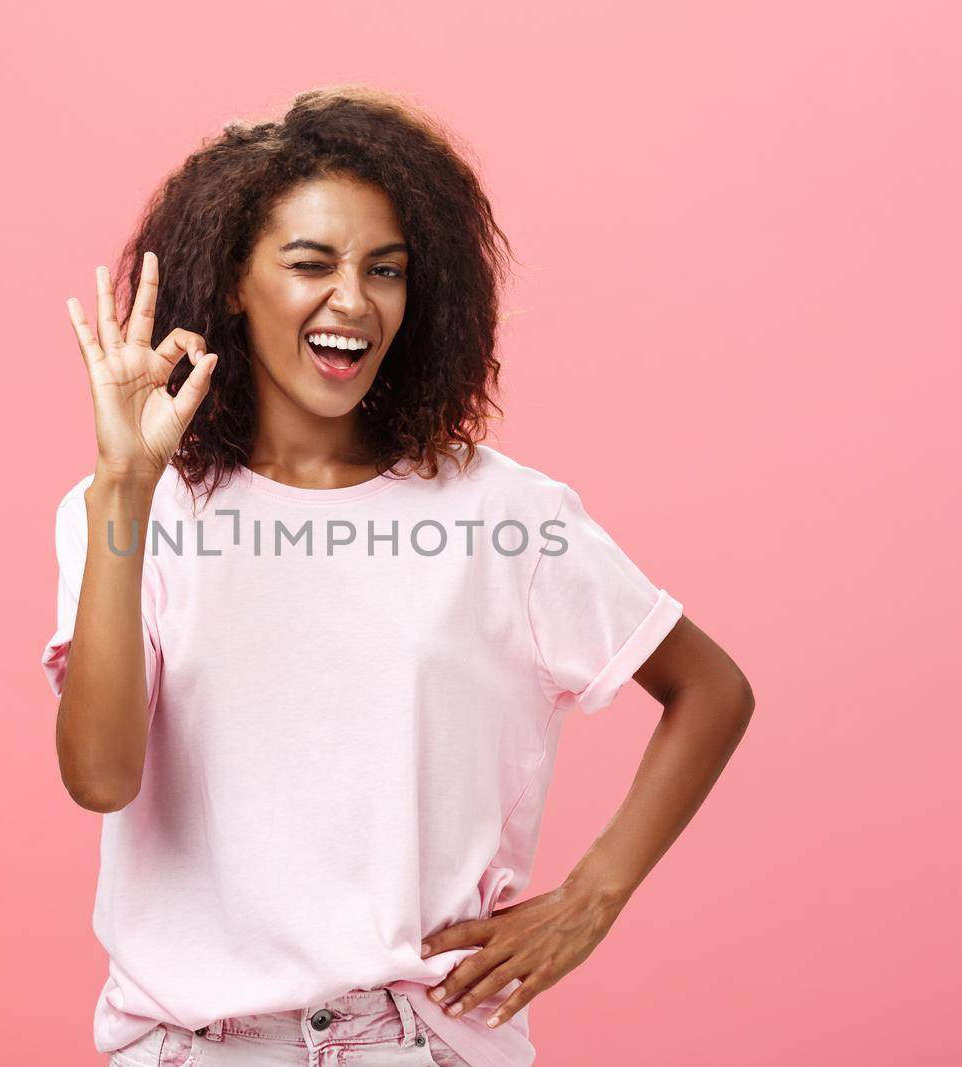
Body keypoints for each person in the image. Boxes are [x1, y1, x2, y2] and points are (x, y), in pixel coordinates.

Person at [43, 86, 755, 1067]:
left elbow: (710, 687)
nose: (354, 298)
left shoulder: (508, 517)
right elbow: (100, 774)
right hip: (190, 1046)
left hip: (413, 1041)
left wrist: (593, 896)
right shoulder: (128, 510)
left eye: (386, 270)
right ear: (232, 284)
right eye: (310, 264)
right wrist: (125, 488)